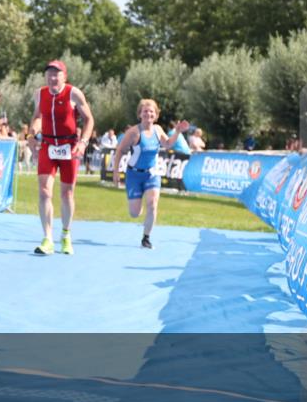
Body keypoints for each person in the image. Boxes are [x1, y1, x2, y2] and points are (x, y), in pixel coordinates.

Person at [28, 59, 94, 255]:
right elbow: (37, 116)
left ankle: (65, 234)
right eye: (49, 73)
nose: (52, 77)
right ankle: (47, 238)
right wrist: (32, 134)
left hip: (69, 147)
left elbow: (89, 119)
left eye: (56, 73)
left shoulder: (73, 93)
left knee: (67, 193)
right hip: (48, 145)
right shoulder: (40, 94)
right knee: (44, 191)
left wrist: (83, 142)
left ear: (64, 76)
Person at [112, 99, 190, 249]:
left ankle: (146, 238)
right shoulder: (134, 132)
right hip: (134, 175)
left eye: (151, 111)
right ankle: (138, 203)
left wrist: (178, 131)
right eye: (145, 111)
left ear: (156, 115)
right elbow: (120, 151)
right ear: (140, 114)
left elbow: (167, 144)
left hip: (152, 173)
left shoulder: (158, 130)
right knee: (135, 213)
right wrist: (116, 172)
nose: (148, 114)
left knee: (153, 203)